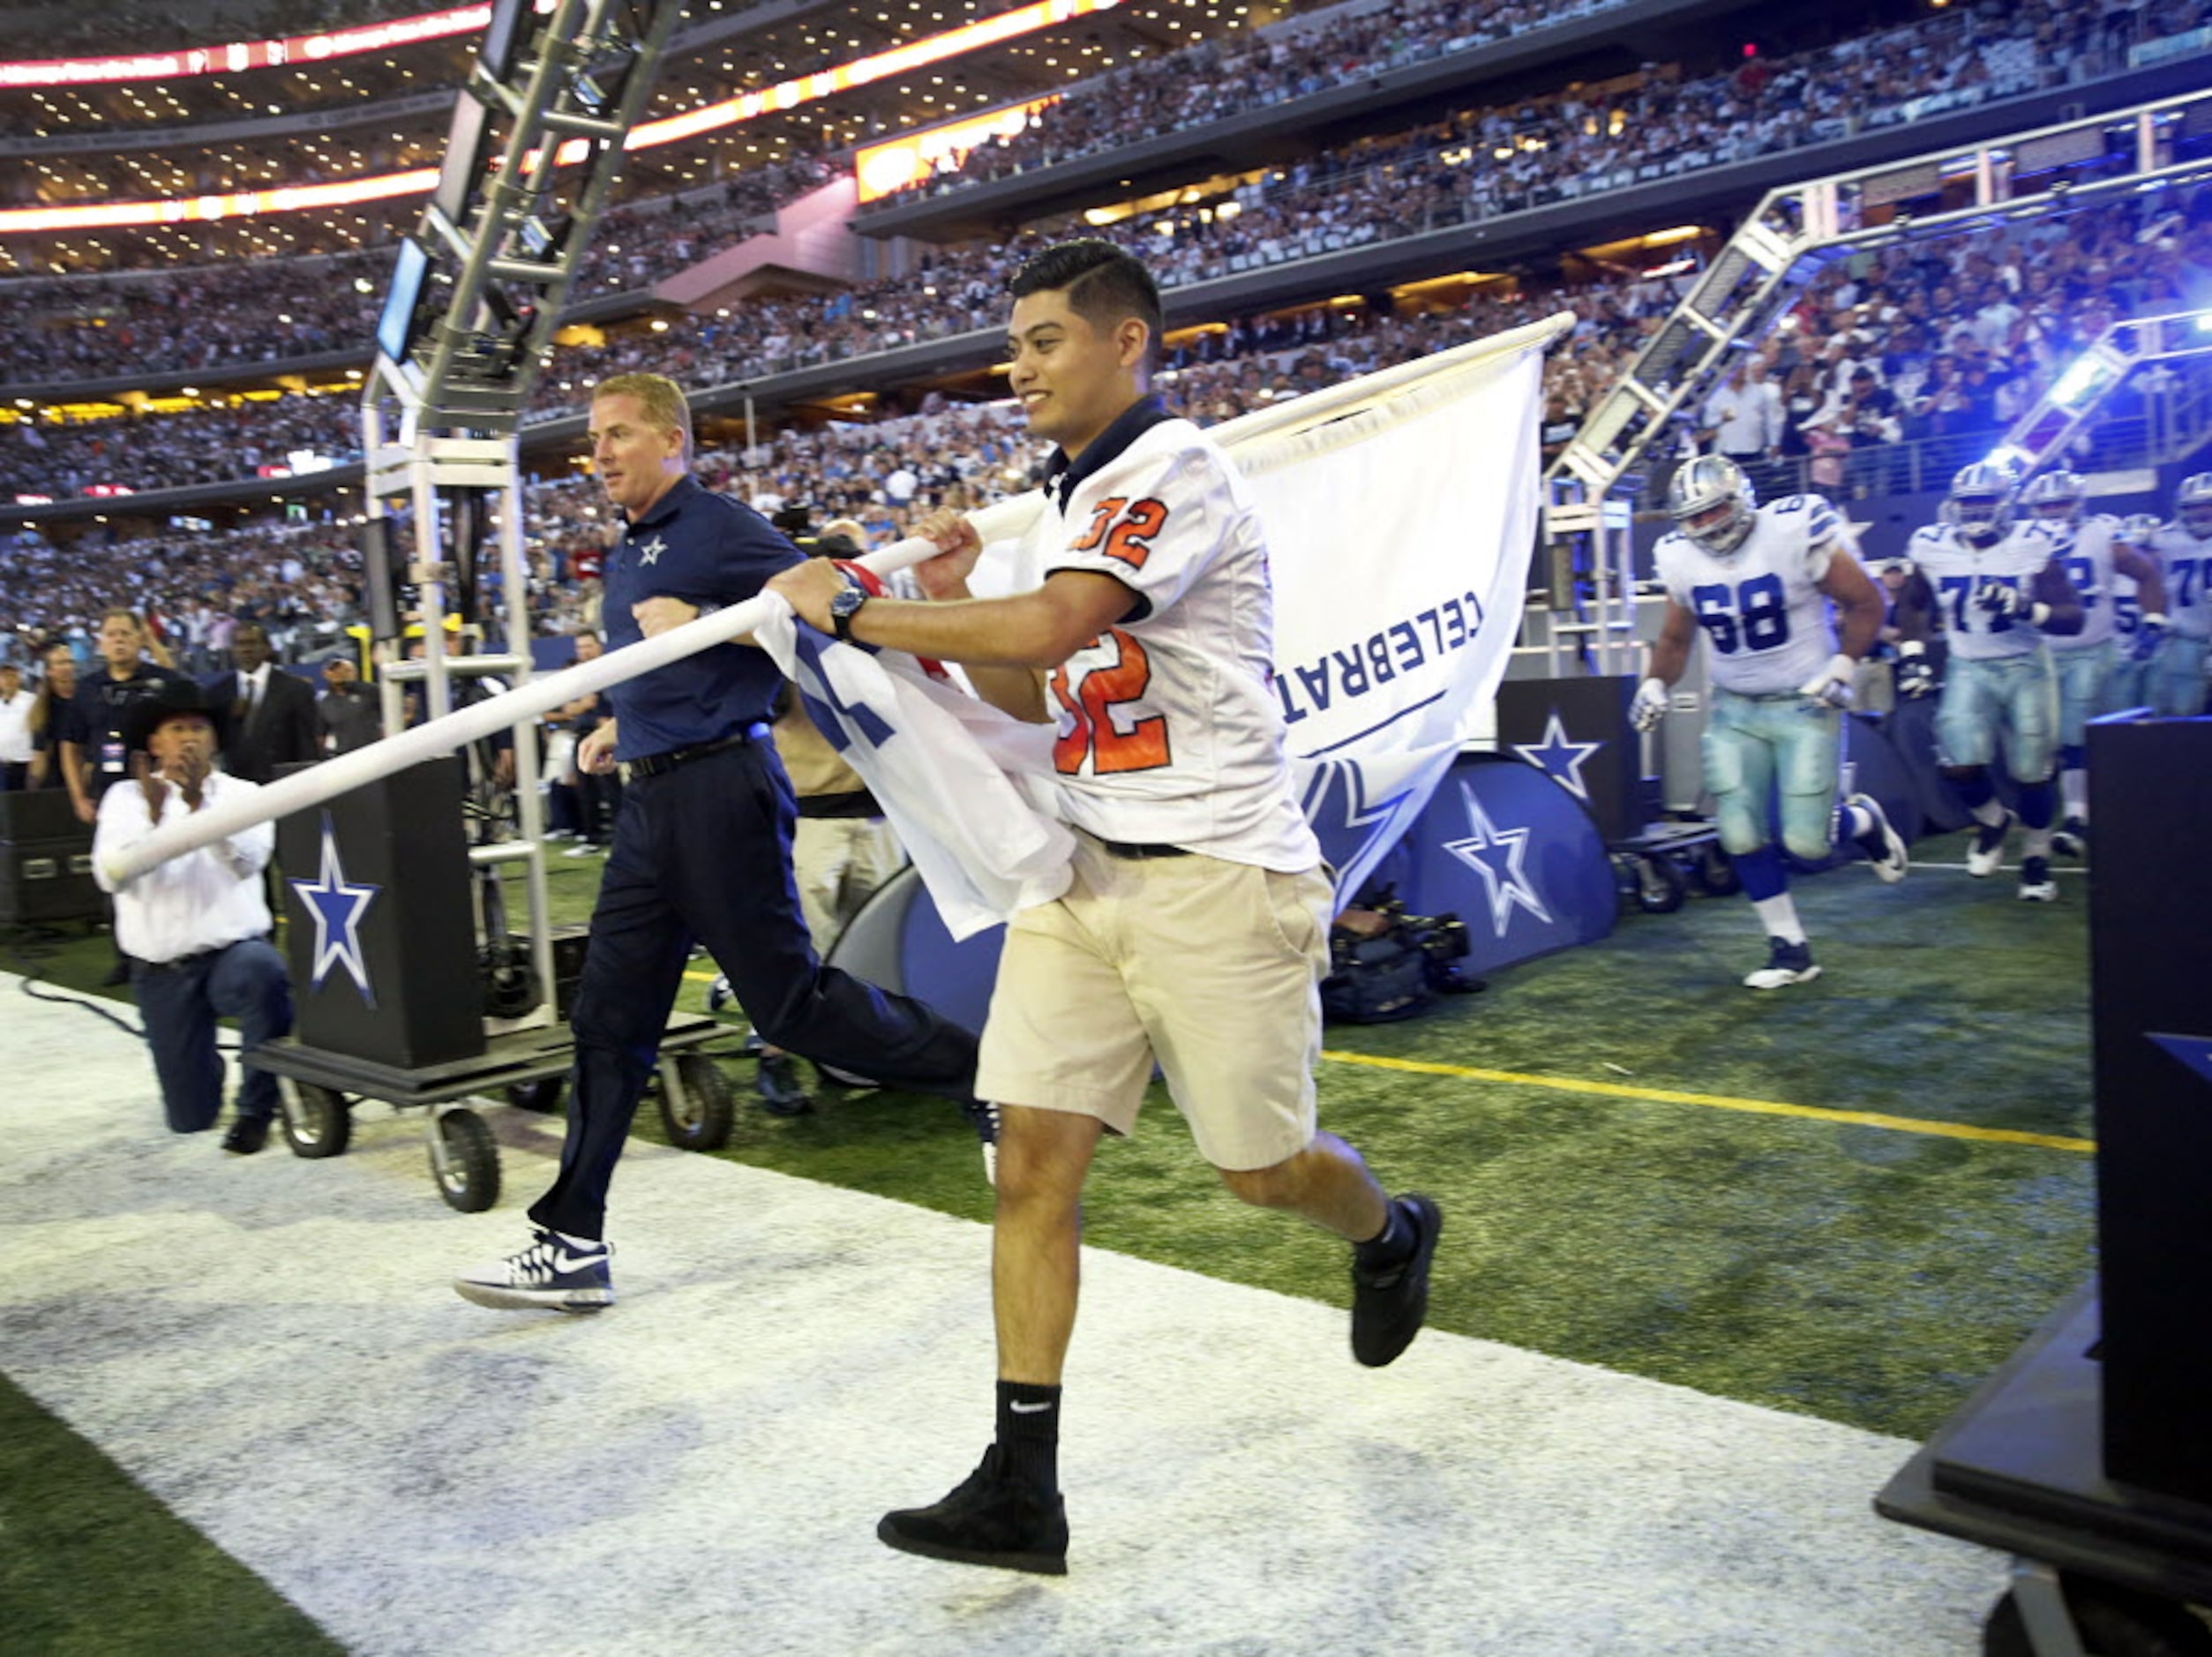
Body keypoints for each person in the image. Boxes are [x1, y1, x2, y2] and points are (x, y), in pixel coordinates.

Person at [768, 240, 1439, 1577]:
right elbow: (1041, 690)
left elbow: (1053, 630)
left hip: (1214, 875)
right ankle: (1022, 1489)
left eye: (1041, 341)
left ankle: (1386, 1226)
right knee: (1027, 1163)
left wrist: (859, 607)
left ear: (1124, 341)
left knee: (1256, 1169)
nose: (1015, 369)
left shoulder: (1174, 467)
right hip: (1080, 872)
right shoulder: (1072, 496)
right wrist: (951, 604)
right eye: (1010, 345)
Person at [454, 371, 985, 1314]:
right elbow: (669, 666)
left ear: (672, 441)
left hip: (719, 793)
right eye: (593, 438)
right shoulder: (628, 548)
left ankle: (987, 1078)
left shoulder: (720, 526)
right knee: (608, 1025)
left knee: (786, 1006)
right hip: (651, 799)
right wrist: (631, 720)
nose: (600, 453)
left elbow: (825, 615)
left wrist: (704, 627)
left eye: (618, 434)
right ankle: (571, 1239)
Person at [1632, 456, 1909, 989]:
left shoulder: (1791, 529)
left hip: (1806, 701)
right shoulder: (1678, 559)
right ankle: (1789, 949)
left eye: (1715, 510)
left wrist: (1844, 665)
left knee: (1808, 843)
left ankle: (1863, 822)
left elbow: (1867, 602)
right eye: (1694, 517)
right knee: (1738, 831)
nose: (1708, 525)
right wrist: (1655, 683)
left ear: (1741, 501)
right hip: (1734, 706)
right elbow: (1675, 639)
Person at [89, 679, 293, 1154]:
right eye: (176, 728)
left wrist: (201, 808)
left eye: (199, 728)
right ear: (154, 744)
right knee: (190, 1119)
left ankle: (256, 1107)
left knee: (264, 974)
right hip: (161, 971)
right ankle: (204, 1069)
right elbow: (110, 877)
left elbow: (248, 862)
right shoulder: (126, 799)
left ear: (215, 739)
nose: (188, 739)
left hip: (232, 955)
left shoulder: (245, 794)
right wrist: (156, 823)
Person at [1896, 463, 2085, 903]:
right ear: (1953, 505)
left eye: (1984, 502)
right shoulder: (1931, 544)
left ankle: (2036, 857)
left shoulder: (2033, 542)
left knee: (2033, 772)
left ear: (2005, 503)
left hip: (2026, 666)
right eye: (1967, 503)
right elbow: (1913, 603)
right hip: (1968, 665)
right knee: (1957, 762)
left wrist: (2026, 608)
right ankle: (1993, 819)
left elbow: (2073, 617)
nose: (1975, 511)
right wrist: (1911, 657)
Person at [2016, 471, 2167, 858]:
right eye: (2046, 505)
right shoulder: (2021, 539)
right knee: (2039, 740)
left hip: (2091, 649)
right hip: (2041, 652)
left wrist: (2154, 619)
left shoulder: (2101, 534)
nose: (2053, 512)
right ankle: (2068, 813)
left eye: (2060, 503)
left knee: (2074, 734)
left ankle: (2077, 818)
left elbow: (2146, 572)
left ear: (2077, 503)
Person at [62, 610, 186, 986]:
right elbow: (70, 743)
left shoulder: (162, 681)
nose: (117, 640)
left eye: (125, 634)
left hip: (162, 792)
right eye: (110, 634)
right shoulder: (87, 688)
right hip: (109, 795)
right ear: (100, 641)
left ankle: (176, 947)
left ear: (139, 638)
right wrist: (78, 796)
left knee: (171, 867)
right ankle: (125, 956)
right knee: (117, 873)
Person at [207, 622, 321, 784]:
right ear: (232, 650)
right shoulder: (218, 693)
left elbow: (307, 746)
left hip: (282, 784)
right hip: (235, 787)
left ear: (267, 648)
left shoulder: (296, 689)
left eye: (252, 643)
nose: (246, 649)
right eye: (240, 644)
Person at [2141, 473, 2212, 718]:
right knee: (2180, 716)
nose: (2203, 513)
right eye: (2195, 506)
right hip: (2185, 637)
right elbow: (2148, 583)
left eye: (2209, 505)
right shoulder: (2164, 539)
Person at [316, 656, 381, 756]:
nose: (339, 674)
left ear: (354, 672)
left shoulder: (370, 692)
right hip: (344, 755)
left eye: (345, 670)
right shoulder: (324, 702)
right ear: (325, 674)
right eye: (333, 670)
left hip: (374, 750)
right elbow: (321, 734)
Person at [0, 663, 32, 791]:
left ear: (18, 679)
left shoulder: (31, 701)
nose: (9, 680)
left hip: (24, 764)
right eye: (4, 676)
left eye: (12, 676)